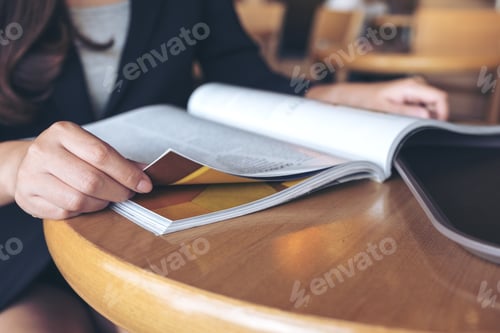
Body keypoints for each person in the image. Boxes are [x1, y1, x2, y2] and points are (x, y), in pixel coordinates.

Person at [0, 0, 447, 332]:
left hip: (168, 233)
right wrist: (16, 163)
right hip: (21, 247)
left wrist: (358, 100)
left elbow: (247, 83)